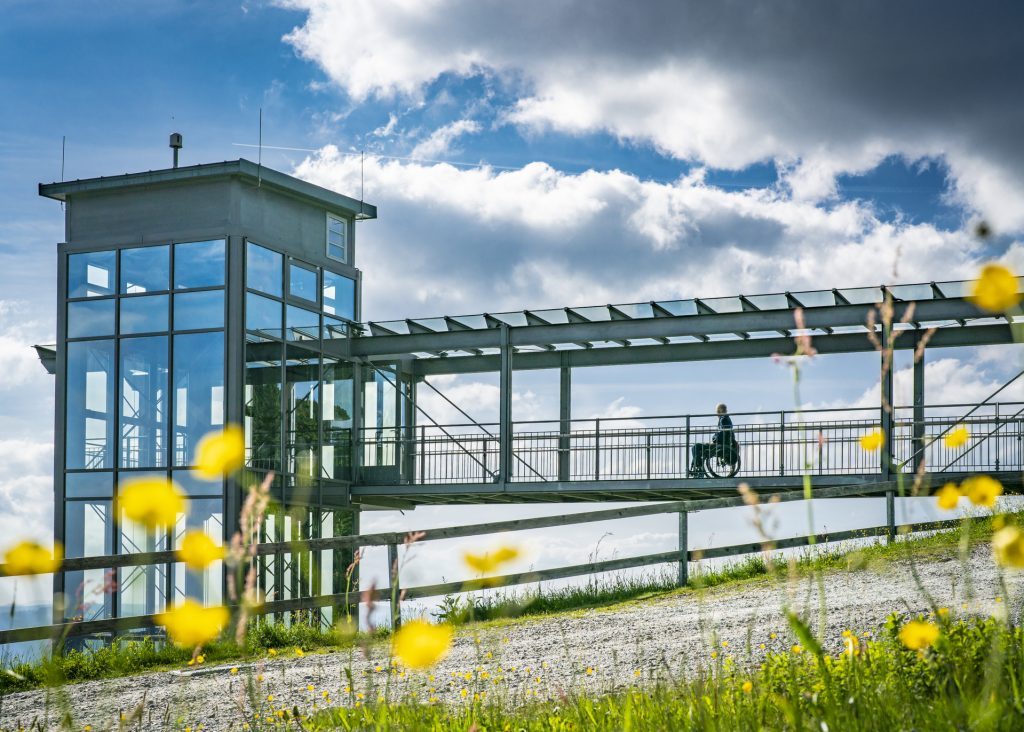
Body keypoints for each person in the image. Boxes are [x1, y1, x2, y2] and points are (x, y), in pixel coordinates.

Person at [689, 403, 737, 478]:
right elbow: (725, 433)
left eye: (717, 411)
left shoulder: (723, 419)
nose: (716, 414)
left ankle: (699, 469)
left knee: (696, 447)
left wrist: (713, 439)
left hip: (718, 445)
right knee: (698, 448)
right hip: (722, 444)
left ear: (719, 410)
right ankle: (697, 467)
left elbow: (721, 434)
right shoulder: (727, 419)